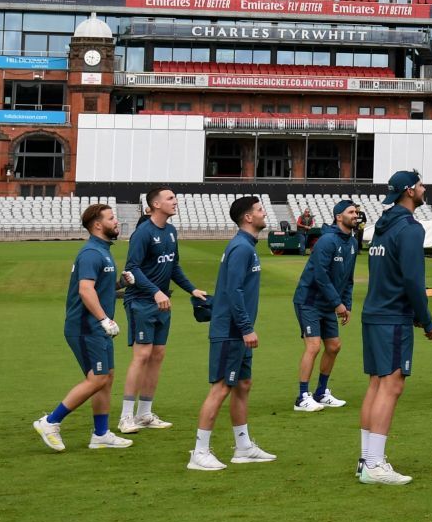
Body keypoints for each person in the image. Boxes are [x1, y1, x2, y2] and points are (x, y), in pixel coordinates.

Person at [32, 203, 134, 452]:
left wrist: (120, 283)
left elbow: (98, 287)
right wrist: (103, 319)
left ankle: (101, 434)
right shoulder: (91, 253)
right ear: (98, 225)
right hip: (86, 327)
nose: (117, 222)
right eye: (112, 218)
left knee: (106, 378)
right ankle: (50, 422)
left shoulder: (103, 250)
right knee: (98, 377)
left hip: (96, 327)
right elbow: (85, 290)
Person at [358, 170, 432, 485]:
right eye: (420, 184)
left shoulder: (382, 225)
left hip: (375, 311)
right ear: (409, 191)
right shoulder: (409, 228)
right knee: (392, 386)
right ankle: (374, 464)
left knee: (377, 385)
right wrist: (426, 320)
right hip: (392, 316)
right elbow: (412, 280)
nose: (424, 188)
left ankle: (366, 460)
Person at [187, 195, 276, 471]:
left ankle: (243, 447)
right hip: (230, 331)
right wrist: (246, 328)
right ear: (248, 217)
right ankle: (199, 453)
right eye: (260, 210)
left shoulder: (247, 245)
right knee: (222, 387)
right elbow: (233, 290)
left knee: (243, 385)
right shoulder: (241, 247)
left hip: (236, 330)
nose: (264, 213)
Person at [118, 187, 207, 433]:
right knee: (142, 355)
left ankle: (144, 414)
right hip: (141, 302)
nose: (175, 202)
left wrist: (192, 290)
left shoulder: (171, 231)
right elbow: (132, 269)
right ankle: (126, 416)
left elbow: (173, 266)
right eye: (170, 198)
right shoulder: (143, 233)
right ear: (156, 204)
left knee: (157, 355)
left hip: (162, 303)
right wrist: (155, 291)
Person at [292, 199, 363, 412]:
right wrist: (337, 304)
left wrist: (346, 305)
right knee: (313, 346)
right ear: (338, 216)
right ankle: (302, 397)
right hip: (309, 301)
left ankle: (321, 392)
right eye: (351, 212)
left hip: (329, 303)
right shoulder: (327, 241)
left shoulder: (352, 243)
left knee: (334, 346)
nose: (355, 215)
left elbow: (348, 279)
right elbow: (320, 276)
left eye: (356, 212)